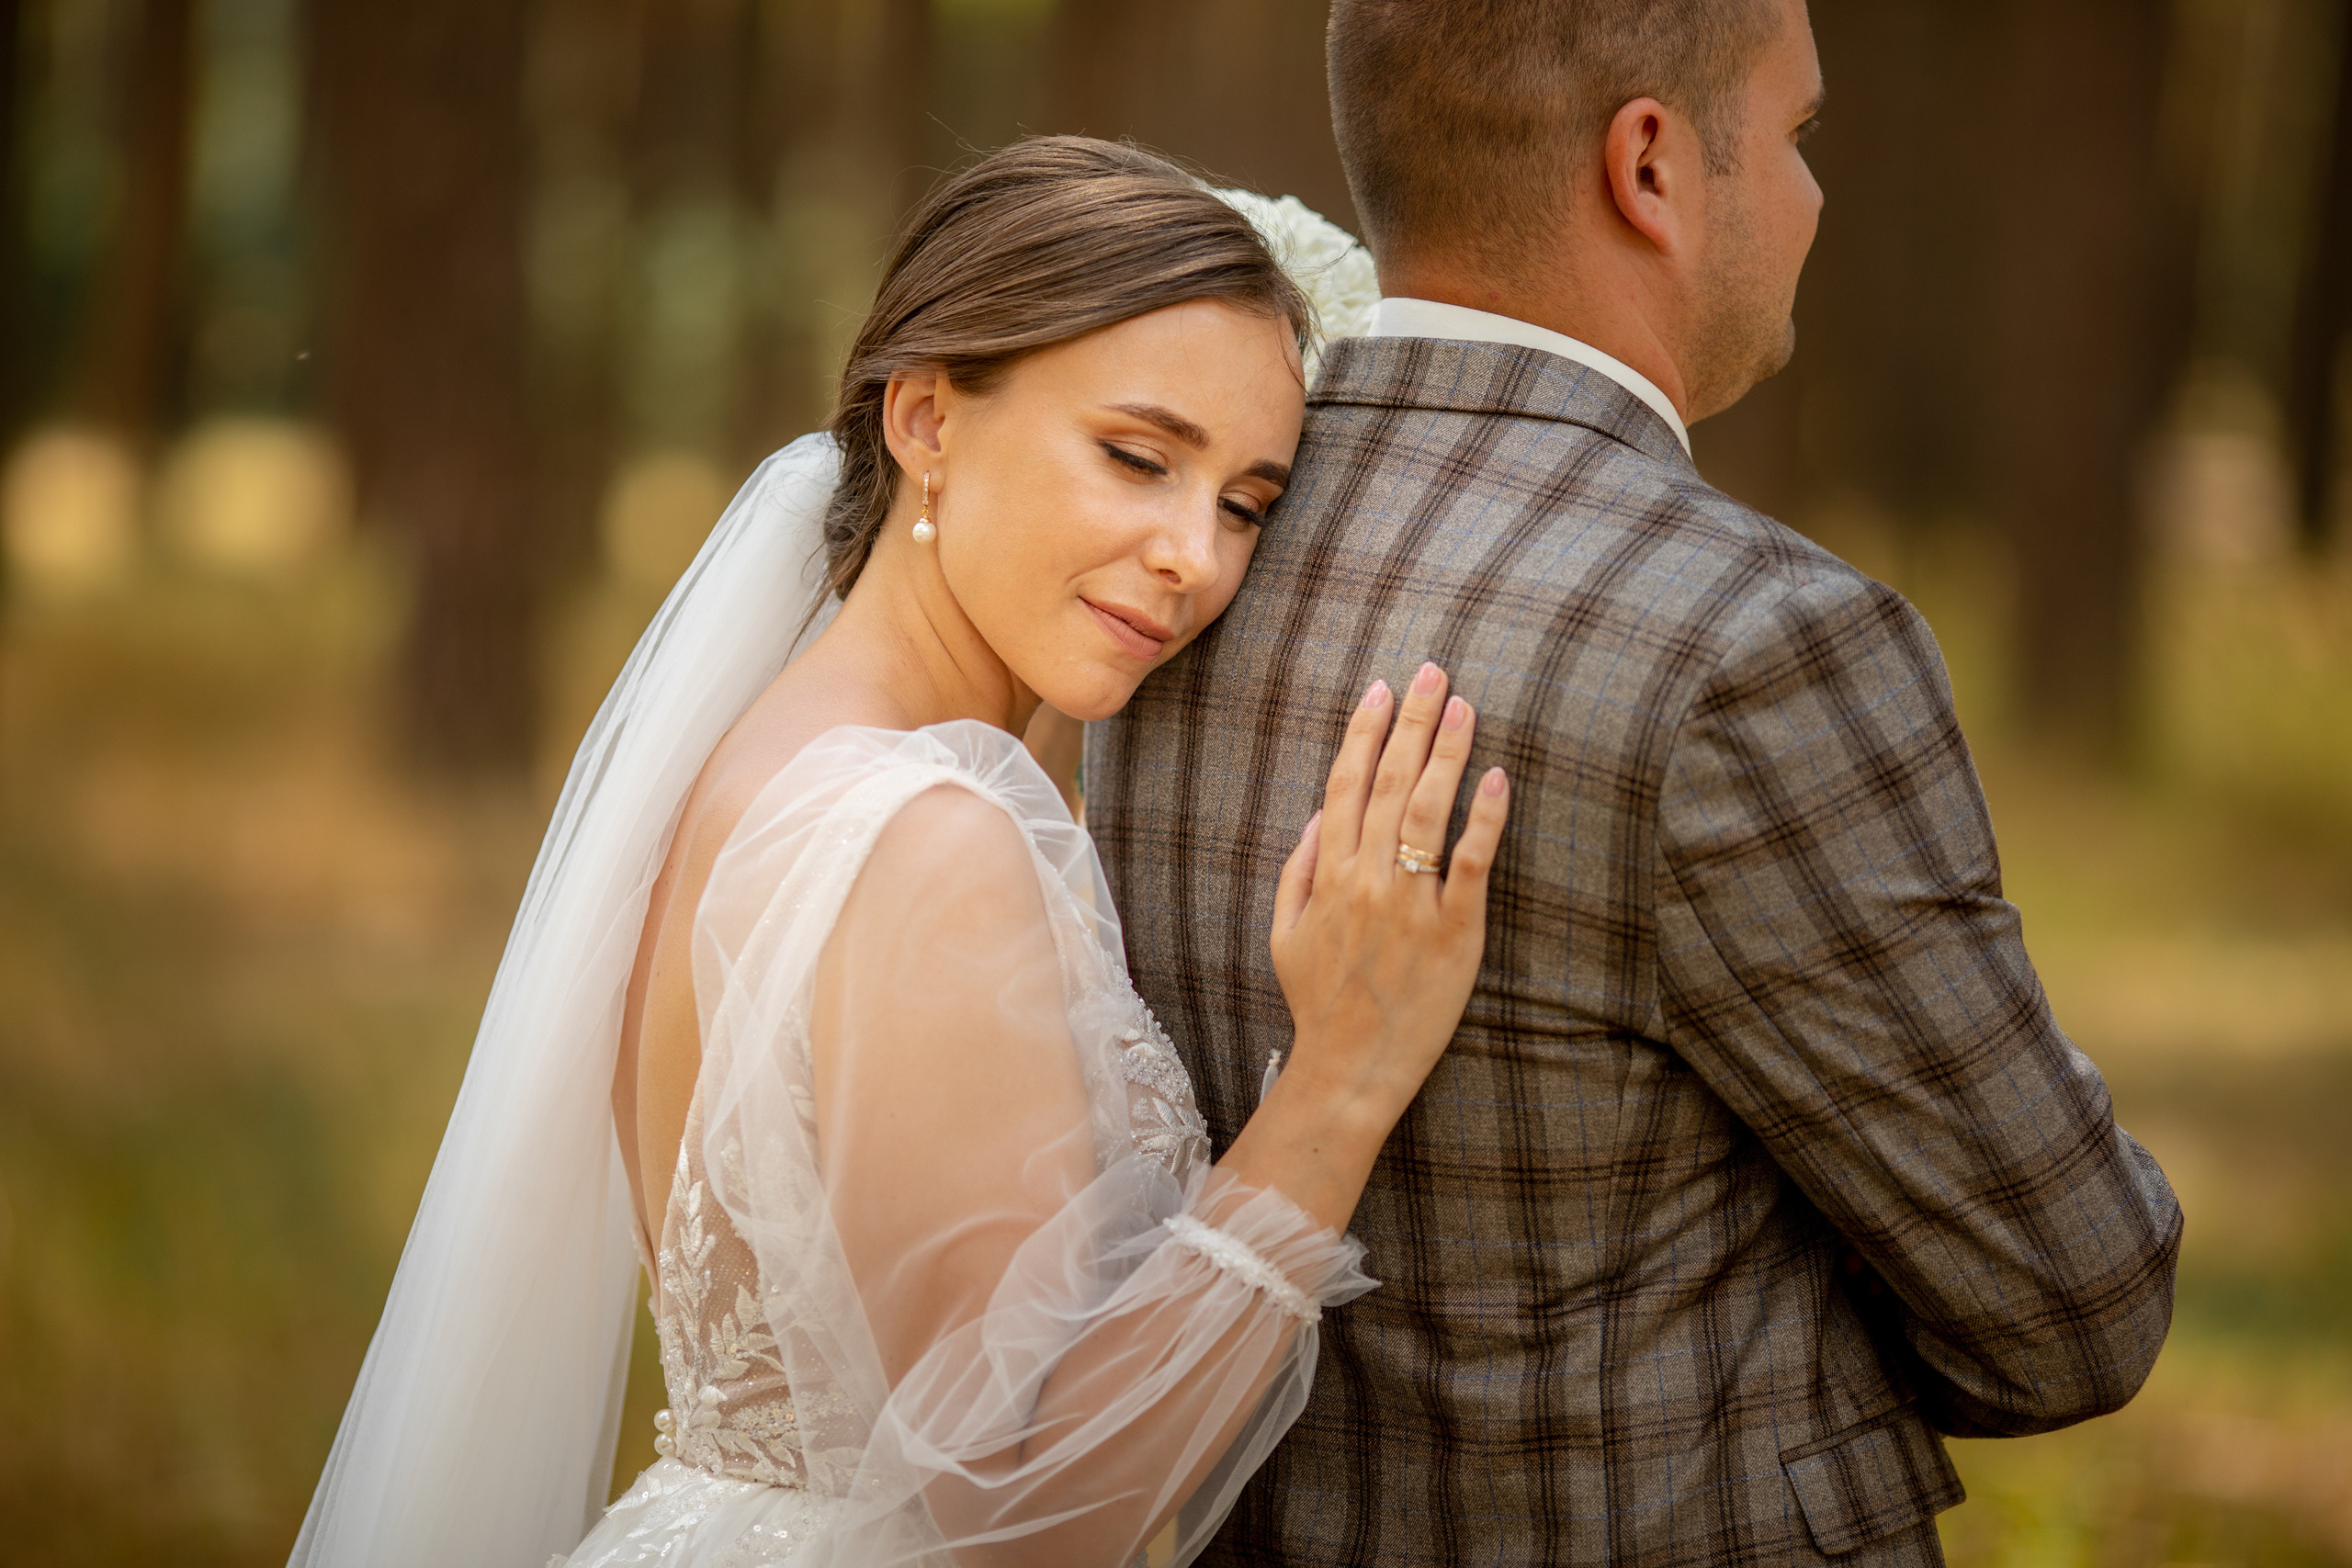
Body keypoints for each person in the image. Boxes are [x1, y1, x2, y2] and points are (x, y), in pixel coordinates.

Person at [291, 138, 1507, 1568]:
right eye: (1136, 457)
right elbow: (1027, 1516)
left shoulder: (778, 759)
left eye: (1245, 503)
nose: (1198, 554)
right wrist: (1344, 1079)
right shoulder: (923, 841)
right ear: (926, 419)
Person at [1087, 2, 2187, 1564]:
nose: (1817, 198)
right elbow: (2074, 1303)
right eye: (1800, 137)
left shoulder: (1161, 578)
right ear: (1651, 165)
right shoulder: (1760, 645)